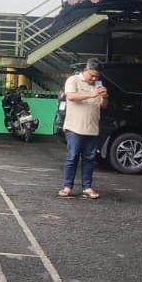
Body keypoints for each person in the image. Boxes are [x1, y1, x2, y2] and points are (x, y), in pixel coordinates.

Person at [58, 59, 108, 199]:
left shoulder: (98, 85)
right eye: (92, 75)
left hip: (92, 128)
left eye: (97, 76)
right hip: (74, 127)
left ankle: (87, 187)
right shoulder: (73, 80)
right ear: (85, 70)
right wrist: (92, 94)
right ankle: (67, 187)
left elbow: (103, 106)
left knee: (90, 159)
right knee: (72, 157)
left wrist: (105, 97)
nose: (94, 79)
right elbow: (71, 96)